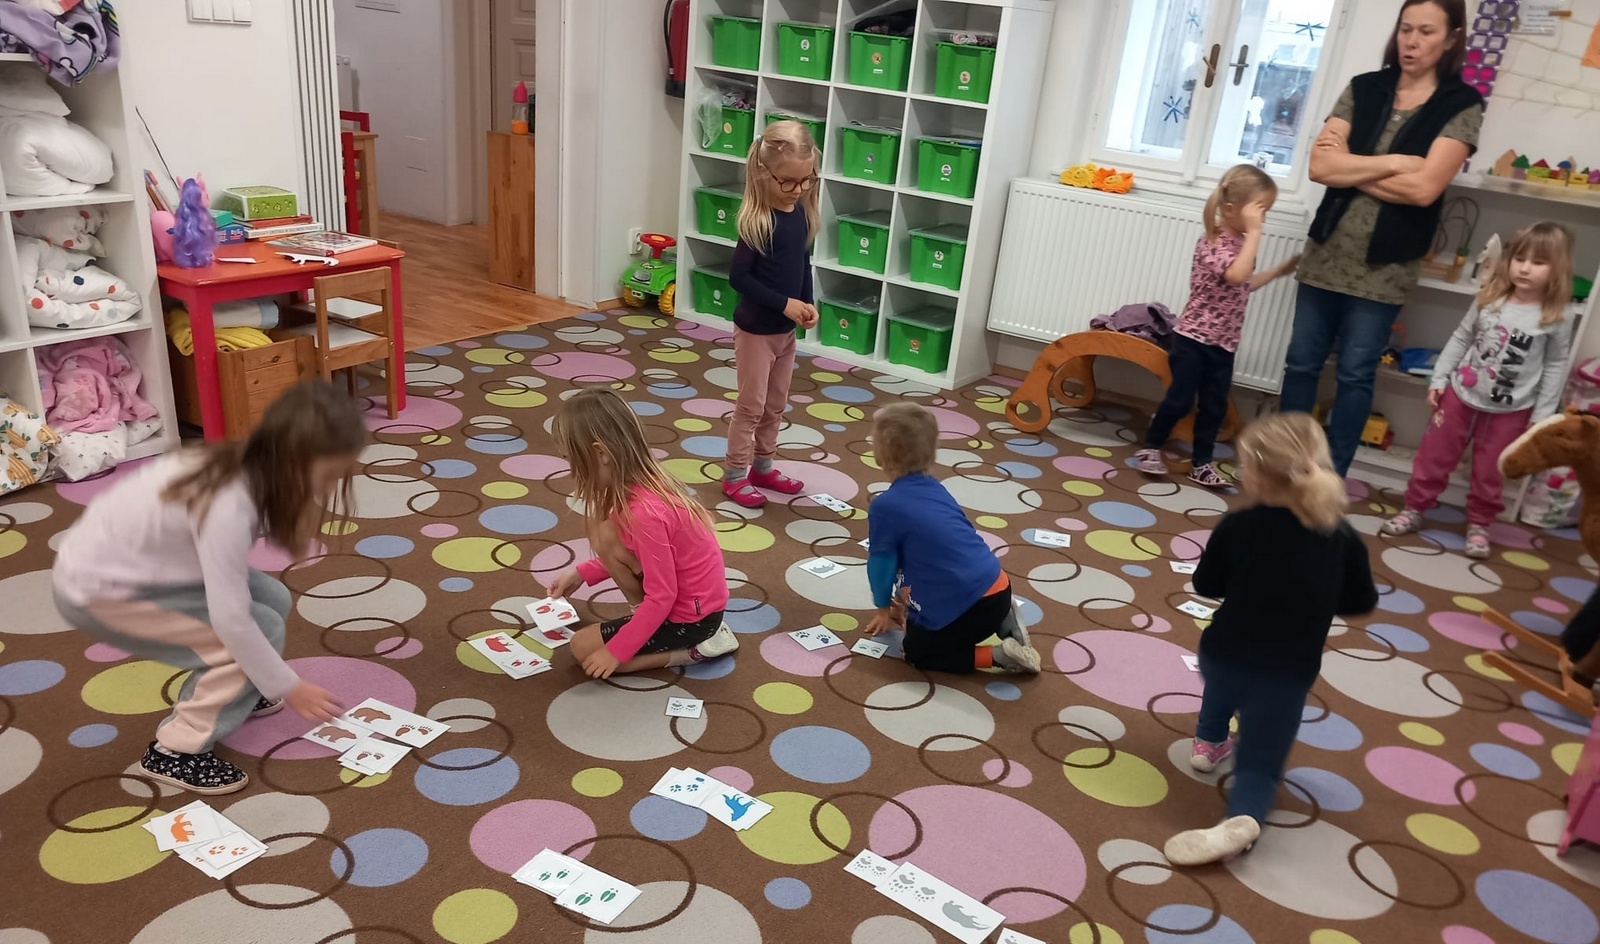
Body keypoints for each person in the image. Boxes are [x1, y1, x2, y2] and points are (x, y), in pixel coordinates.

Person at [52, 382, 358, 794]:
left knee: (273, 599)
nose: (328, 488)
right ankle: (175, 750)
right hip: (101, 590)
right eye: (328, 476)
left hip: (148, 567)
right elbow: (231, 619)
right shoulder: (230, 504)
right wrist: (290, 686)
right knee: (251, 634)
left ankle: (241, 687)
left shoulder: (246, 464)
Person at [1163, 413, 1378, 865]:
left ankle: (1208, 743)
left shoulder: (1238, 525)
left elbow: (1205, 584)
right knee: (1260, 758)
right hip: (1286, 671)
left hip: (1222, 653)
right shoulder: (1341, 537)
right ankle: (1243, 816)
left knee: (1223, 688)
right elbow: (1360, 601)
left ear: (1255, 476)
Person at [1282, 0, 1484, 476]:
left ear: (1452, 38)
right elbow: (1320, 167)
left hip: (1387, 266)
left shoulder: (1462, 104)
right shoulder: (1364, 88)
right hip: (1328, 253)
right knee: (1301, 364)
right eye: (1406, 29)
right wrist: (1395, 163)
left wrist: (1352, 167)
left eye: (1426, 32)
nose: (1411, 41)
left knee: (1355, 374)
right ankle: (1283, 467)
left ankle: (1330, 480)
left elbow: (1424, 190)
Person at [1381, 222, 1574, 557]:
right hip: (1461, 396)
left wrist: (1543, 415)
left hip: (1512, 410)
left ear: (1557, 269)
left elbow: (1556, 365)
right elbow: (1461, 338)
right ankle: (1414, 508)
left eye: (1538, 262)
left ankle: (1480, 525)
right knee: (1433, 457)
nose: (1525, 268)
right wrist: (1439, 379)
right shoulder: (1490, 296)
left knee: (1491, 471)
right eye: (1520, 258)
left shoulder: (1557, 315)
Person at [546, 388, 738, 679]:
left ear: (601, 454)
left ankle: (698, 650)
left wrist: (616, 651)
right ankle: (646, 626)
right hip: (691, 604)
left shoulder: (644, 513)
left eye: (572, 460)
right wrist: (581, 573)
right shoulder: (638, 489)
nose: (572, 471)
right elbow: (631, 550)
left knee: (582, 648)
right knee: (606, 534)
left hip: (693, 620)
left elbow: (663, 595)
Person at [1137, 165, 1300, 488]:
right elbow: (1236, 275)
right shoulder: (1213, 241)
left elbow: (1244, 284)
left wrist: (1277, 272)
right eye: (1260, 211)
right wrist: (1255, 233)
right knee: (1181, 400)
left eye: (1265, 212)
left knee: (1214, 408)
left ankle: (1201, 463)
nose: (1263, 219)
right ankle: (1151, 447)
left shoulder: (1241, 244)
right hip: (1193, 340)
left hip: (1224, 344)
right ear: (1229, 209)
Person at [863, 403, 1042, 674]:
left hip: (970, 608)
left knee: (917, 651)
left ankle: (998, 655)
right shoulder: (936, 488)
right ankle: (1005, 620)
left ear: (880, 454)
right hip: (998, 588)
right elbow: (941, 551)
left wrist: (883, 608)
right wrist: (906, 604)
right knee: (928, 615)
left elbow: (881, 565)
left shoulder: (885, 506)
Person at [722, 119, 821, 508]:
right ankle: (734, 475)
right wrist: (784, 303)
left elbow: (802, 264)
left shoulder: (801, 214)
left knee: (775, 405)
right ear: (765, 174)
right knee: (751, 406)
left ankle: (763, 467)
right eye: (788, 182)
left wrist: (806, 303)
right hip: (756, 333)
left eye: (806, 180)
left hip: (784, 332)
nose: (798, 189)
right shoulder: (758, 222)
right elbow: (739, 278)